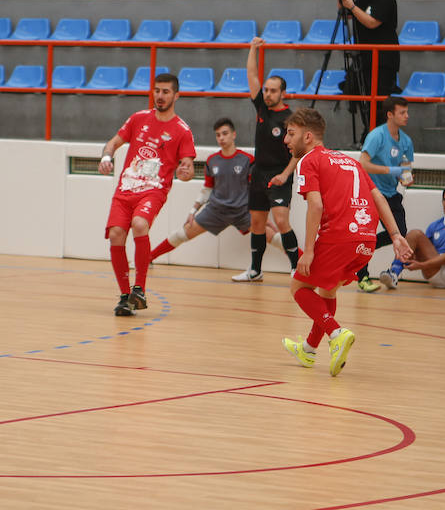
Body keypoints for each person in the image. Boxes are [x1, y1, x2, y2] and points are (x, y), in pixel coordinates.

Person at [281, 107, 413, 376]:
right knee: (327, 292)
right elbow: (378, 197)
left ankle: (336, 333)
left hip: (338, 237)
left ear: (307, 137)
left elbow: (315, 205)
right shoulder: (348, 160)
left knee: (298, 287)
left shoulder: (308, 161)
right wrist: (396, 234)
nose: (285, 139)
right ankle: (307, 350)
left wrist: (307, 251)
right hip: (365, 239)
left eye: (290, 133)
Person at [99, 73, 196, 316]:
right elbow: (112, 143)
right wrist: (106, 157)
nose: (160, 96)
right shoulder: (138, 118)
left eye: (165, 92)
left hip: (153, 191)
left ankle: (139, 288)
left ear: (176, 95)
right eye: (157, 91)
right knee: (116, 234)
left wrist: (185, 172)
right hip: (125, 190)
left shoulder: (182, 130)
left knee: (140, 224)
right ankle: (125, 297)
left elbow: (187, 167)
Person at [150, 117, 280, 261]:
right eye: (218, 135)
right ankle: (148, 257)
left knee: (272, 237)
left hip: (243, 211)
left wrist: (261, 215)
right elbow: (207, 189)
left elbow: (257, 190)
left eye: (225, 133)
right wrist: (193, 210)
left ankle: (301, 263)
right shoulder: (212, 160)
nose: (221, 138)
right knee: (182, 234)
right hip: (216, 211)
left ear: (234, 135)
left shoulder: (247, 160)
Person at [232, 37, 300, 282]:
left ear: (283, 93)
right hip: (258, 173)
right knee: (257, 223)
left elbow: (298, 153)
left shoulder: (292, 118)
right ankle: (255, 270)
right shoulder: (262, 108)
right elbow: (251, 74)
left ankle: (296, 268)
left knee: (281, 220)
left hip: (280, 174)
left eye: (273, 91)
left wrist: (285, 174)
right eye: (266, 90)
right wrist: (252, 48)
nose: (268, 94)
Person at [353, 96, 414, 292]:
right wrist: (390, 170)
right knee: (367, 234)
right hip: (370, 194)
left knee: (400, 233)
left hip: (391, 194)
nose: (406, 116)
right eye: (402, 112)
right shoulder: (376, 136)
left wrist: (405, 177)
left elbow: (405, 166)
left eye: (407, 112)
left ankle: (367, 249)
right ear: (390, 114)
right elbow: (363, 163)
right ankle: (362, 277)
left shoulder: (406, 141)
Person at [379, 186, 445, 295]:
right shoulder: (435, 225)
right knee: (414, 233)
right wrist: (411, 258)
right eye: (444, 199)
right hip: (434, 273)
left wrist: (420, 266)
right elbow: (419, 251)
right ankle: (394, 273)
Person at [340, 0, 400, 130]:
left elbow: (372, 22)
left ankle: (377, 134)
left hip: (383, 59)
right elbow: (347, 13)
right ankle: (369, 131)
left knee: (379, 101)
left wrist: (352, 6)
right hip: (364, 56)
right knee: (356, 92)